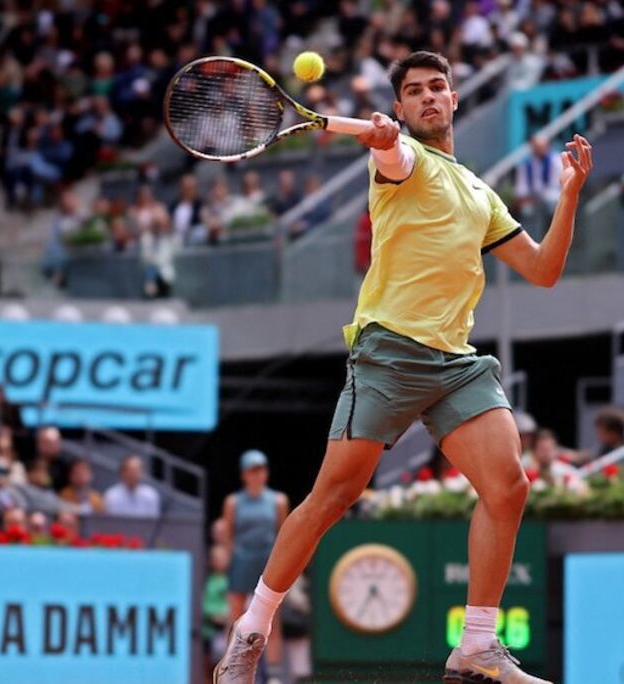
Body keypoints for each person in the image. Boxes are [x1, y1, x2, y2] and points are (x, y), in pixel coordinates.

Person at [214, 51, 590, 684]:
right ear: (398, 108)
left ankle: (475, 646)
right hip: (390, 353)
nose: (428, 97)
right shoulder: (399, 161)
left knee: (509, 486)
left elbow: (544, 270)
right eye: (413, 91)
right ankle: (251, 629)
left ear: (453, 98)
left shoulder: (479, 191)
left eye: (437, 87)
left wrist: (570, 194)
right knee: (333, 497)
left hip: (456, 364)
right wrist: (385, 144)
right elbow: (396, 157)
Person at [223, 450, 289, 682]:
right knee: (234, 616)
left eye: (260, 469)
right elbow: (228, 536)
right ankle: (231, 670)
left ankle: (273, 675)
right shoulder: (232, 503)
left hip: (267, 563)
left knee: (272, 618)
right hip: (241, 562)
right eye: (252, 470)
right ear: (244, 475)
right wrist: (229, 561)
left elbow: (283, 535)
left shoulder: (278, 501)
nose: (257, 474)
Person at [513, 134, 563, 223]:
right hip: (532, 197)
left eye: (541, 146)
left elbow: (556, 185)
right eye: (536, 146)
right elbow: (521, 187)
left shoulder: (556, 161)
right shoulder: (526, 164)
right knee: (526, 209)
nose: (539, 149)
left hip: (551, 196)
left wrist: (539, 197)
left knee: (552, 201)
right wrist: (524, 197)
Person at [204, 544, 231, 673]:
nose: (221, 561)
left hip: (236, 632)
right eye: (217, 558)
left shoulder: (234, 579)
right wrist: (220, 617)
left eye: (223, 558)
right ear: (211, 561)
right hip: (216, 632)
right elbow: (207, 608)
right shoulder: (210, 583)